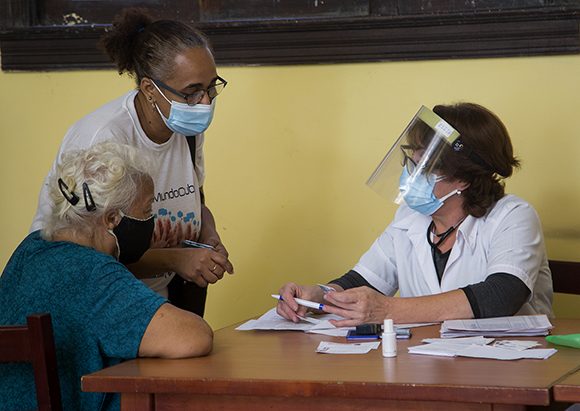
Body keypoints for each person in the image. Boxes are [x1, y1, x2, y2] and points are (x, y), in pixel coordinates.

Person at [30, 8, 233, 315]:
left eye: (211, 88)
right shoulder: (103, 138)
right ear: (150, 90)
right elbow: (87, 250)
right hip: (94, 304)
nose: (204, 103)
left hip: (156, 299)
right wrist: (176, 259)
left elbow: (195, 199)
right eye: (192, 93)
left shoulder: (185, 130)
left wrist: (208, 235)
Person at [276, 103, 553, 326]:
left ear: (464, 180)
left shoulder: (513, 216)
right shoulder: (410, 218)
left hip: (509, 364)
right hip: (427, 363)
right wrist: (320, 296)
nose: (412, 175)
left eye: (426, 169)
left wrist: (387, 309)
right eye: (413, 163)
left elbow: (501, 295)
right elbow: (363, 281)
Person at [0, 142, 213, 411]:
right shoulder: (92, 273)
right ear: (112, 218)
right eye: (147, 210)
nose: (152, 220)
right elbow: (193, 336)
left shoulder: (30, 249)